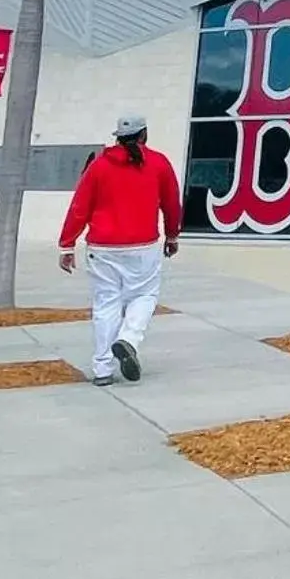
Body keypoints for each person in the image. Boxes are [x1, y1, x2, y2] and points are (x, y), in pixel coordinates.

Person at [58, 115, 181, 385]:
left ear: (118, 136)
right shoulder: (159, 163)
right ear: (144, 134)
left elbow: (80, 206)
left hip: (102, 247)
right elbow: (172, 203)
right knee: (145, 296)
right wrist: (172, 236)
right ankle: (128, 339)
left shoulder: (99, 166)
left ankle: (102, 369)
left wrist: (67, 244)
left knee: (106, 304)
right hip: (143, 246)